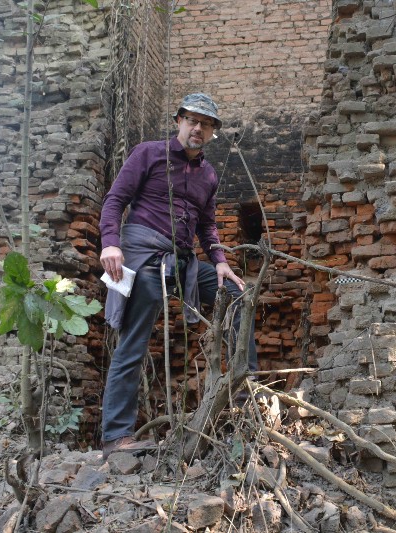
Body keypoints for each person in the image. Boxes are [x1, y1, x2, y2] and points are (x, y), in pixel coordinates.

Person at [98, 93, 258, 459]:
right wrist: (110, 244)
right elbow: (115, 200)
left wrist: (219, 260)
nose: (198, 128)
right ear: (179, 121)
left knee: (236, 295)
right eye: (192, 120)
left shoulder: (208, 174)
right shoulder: (148, 153)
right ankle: (116, 437)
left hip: (183, 262)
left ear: (213, 132)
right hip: (143, 254)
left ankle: (245, 394)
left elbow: (207, 225)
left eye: (206, 124)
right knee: (134, 338)